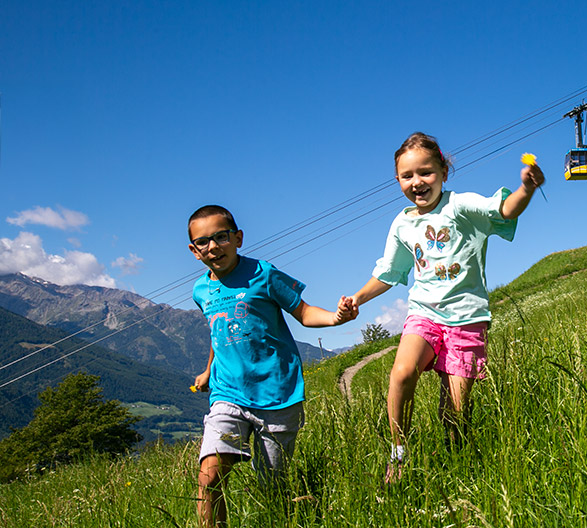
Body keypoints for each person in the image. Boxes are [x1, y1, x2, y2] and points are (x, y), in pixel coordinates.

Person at [341, 132, 544, 483]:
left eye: (426, 172)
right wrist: (357, 298)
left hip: (467, 319)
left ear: (443, 172)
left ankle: (454, 467)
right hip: (424, 314)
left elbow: (504, 210)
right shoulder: (402, 224)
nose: (417, 182)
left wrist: (525, 189)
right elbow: (389, 272)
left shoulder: (461, 206)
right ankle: (399, 454)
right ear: (398, 180)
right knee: (402, 373)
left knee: (455, 413)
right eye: (408, 176)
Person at [187, 204, 357, 527]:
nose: (213, 247)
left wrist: (337, 318)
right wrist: (209, 369)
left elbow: (304, 312)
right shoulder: (200, 290)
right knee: (209, 479)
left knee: (271, 489)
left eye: (221, 237)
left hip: (277, 394)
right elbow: (219, 330)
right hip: (228, 395)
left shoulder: (263, 274)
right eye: (203, 242)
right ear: (194, 251)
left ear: (238, 238)